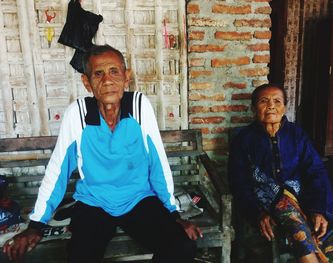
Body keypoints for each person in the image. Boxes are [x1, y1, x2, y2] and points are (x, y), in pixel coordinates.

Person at [3, 45, 202, 263]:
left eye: (114, 71)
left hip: (138, 199)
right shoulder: (77, 114)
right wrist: (36, 225)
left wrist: (173, 215)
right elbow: (57, 171)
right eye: (98, 73)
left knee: (181, 247)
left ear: (126, 78)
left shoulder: (139, 106)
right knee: (81, 256)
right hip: (94, 203)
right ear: (87, 83)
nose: (107, 80)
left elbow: (158, 163)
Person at [228, 83, 333, 263]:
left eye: (277, 101)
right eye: (264, 101)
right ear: (254, 108)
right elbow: (238, 182)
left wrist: (318, 209)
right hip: (269, 198)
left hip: (303, 193)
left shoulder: (297, 134)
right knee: (296, 226)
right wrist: (257, 213)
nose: (271, 106)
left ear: (284, 108)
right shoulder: (244, 140)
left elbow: (316, 171)